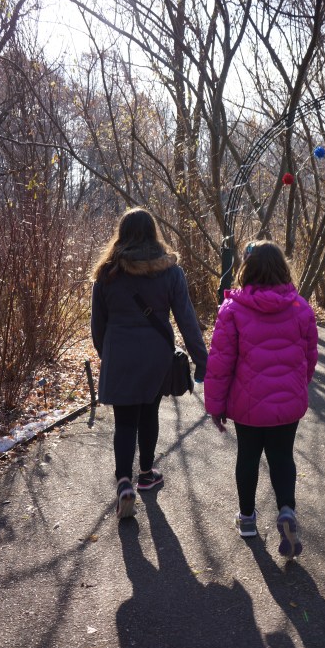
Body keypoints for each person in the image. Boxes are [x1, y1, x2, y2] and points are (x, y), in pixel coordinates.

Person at [91, 207, 208, 520]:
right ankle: (145, 473)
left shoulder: (107, 273)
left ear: (122, 233)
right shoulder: (170, 271)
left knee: (124, 421)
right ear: (153, 233)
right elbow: (187, 320)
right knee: (149, 412)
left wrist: (108, 354)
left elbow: (97, 325)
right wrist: (202, 360)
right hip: (156, 354)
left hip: (120, 352)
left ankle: (124, 483)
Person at [204, 240, 318, 558]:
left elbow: (220, 363)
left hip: (248, 405)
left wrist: (215, 406)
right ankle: (286, 511)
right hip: (288, 404)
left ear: (247, 269)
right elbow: (310, 356)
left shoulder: (232, 310)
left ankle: (247, 519)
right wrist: (299, 386)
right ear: (282, 268)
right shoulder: (300, 307)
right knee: (282, 457)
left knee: (248, 457)